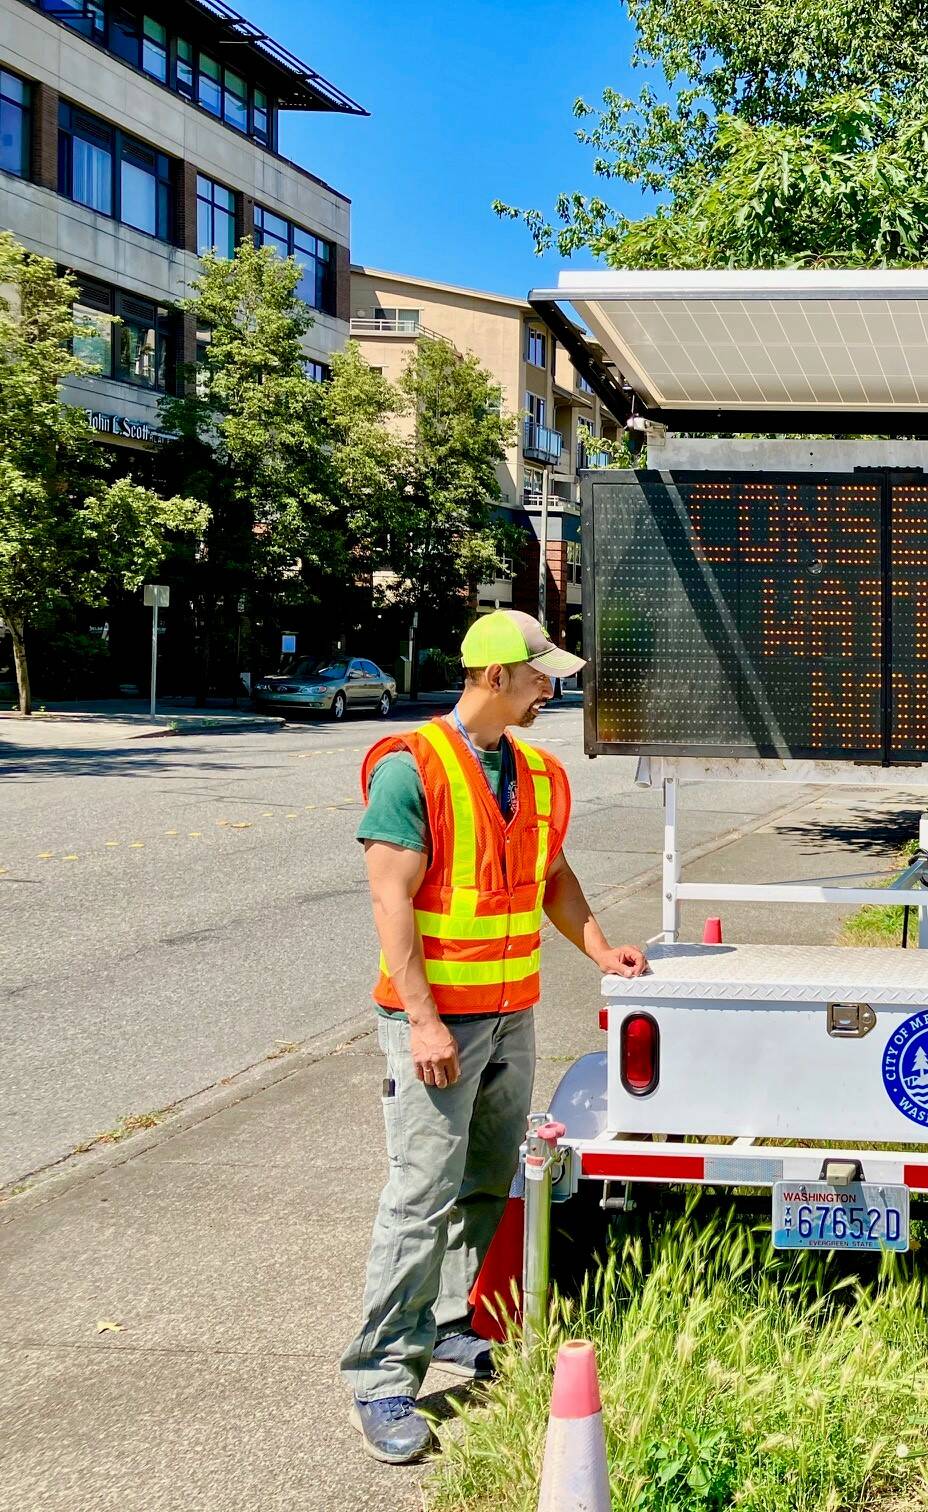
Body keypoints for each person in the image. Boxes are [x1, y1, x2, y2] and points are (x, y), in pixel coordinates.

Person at [339, 610, 647, 1463]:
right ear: (493, 677)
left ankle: (449, 1325)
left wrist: (600, 949)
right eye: (539, 674)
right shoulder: (412, 770)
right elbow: (390, 901)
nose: (551, 687)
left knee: (483, 1182)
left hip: (512, 1014)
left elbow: (553, 876)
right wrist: (425, 1018)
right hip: (435, 1025)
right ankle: (380, 1376)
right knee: (419, 1194)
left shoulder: (541, 775)